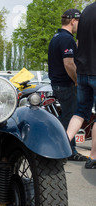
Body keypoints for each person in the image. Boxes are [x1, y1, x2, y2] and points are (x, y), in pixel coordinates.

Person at [47, 9, 87, 161]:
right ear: (73, 21)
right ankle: (67, 151)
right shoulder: (66, 39)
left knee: (66, 116)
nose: (79, 27)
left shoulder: (57, 37)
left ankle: (66, 150)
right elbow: (69, 63)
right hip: (66, 84)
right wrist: (77, 80)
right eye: (79, 23)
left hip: (57, 83)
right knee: (71, 118)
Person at [66, 2, 96, 169]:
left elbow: (78, 44)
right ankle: (93, 157)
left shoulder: (86, 11)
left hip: (83, 71)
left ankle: (61, 149)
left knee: (80, 113)